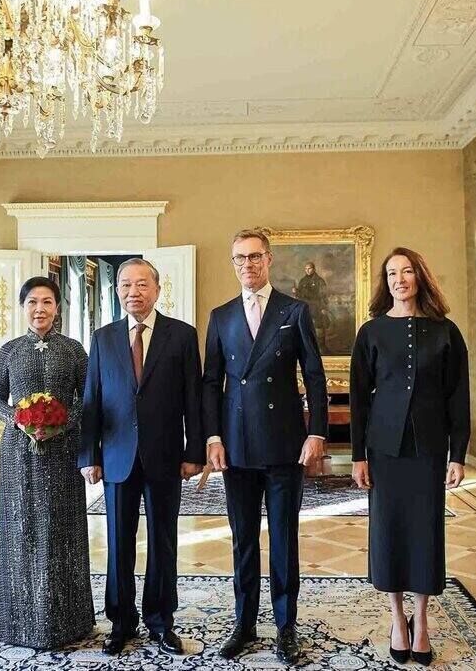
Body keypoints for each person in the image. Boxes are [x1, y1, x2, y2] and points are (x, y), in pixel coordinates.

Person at [203, 229, 328, 666]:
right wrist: (213, 437)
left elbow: (314, 374)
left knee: (283, 538)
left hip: (284, 443)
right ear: (233, 263)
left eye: (254, 257)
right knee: (242, 540)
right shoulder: (220, 317)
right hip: (235, 446)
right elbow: (210, 383)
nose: (247, 265)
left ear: (269, 260)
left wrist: (317, 432)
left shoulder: (295, 310)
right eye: (239, 258)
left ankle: (285, 625)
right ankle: (244, 622)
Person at [79, 259, 206, 657]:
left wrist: (194, 452)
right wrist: (89, 455)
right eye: (125, 284)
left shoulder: (182, 336)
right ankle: (121, 622)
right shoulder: (102, 339)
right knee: (118, 543)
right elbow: (92, 401)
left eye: (141, 284)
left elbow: (193, 400)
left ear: (157, 288)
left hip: (166, 456)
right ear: (117, 290)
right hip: (116, 457)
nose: (133, 291)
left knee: (164, 543)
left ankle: (161, 621)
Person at [349, 247, 469, 666]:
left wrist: (459, 453)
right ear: (386, 282)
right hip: (384, 449)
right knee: (389, 531)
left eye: (407, 271)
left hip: (430, 448)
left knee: (425, 532)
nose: (399, 279)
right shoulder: (372, 332)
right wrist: (358, 456)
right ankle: (398, 619)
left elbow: (459, 396)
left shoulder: (446, 331)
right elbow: (360, 399)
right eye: (392, 273)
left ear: (420, 276)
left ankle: (422, 619)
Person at [0, 276, 95, 649]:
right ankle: (18, 620)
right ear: (23, 307)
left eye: (46, 302)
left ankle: (69, 620)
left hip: (64, 454)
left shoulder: (75, 350)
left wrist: (62, 421)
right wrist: (21, 419)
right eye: (32, 302)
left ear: (57, 308)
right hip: (19, 453)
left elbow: (87, 397)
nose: (39, 309)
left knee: (61, 531)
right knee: (21, 531)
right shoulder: (10, 351)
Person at [295, 261, 329, 349]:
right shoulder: (303, 281)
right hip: (305, 307)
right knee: (305, 325)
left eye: (309, 268)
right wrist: (296, 291)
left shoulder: (319, 281)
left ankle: (321, 347)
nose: (307, 271)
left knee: (319, 326)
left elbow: (324, 296)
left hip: (317, 307)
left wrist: (323, 308)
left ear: (314, 269)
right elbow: (300, 295)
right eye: (306, 269)